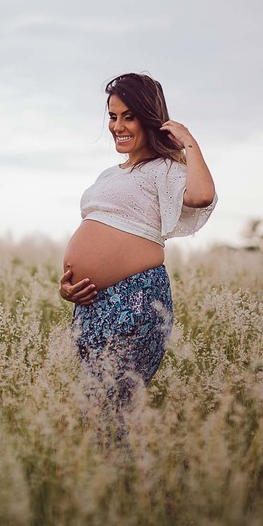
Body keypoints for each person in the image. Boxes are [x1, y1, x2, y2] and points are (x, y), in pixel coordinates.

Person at [60, 73, 217, 412]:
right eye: (113, 116)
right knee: (97, 407)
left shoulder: (164, 169)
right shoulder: (109, 174)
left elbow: (202, 195)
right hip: (92, 303)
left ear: (149, 118)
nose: (117, 126)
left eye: (128, 116)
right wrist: (69, 287)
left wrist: (188, 141)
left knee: (112, 406)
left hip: (136, 296)